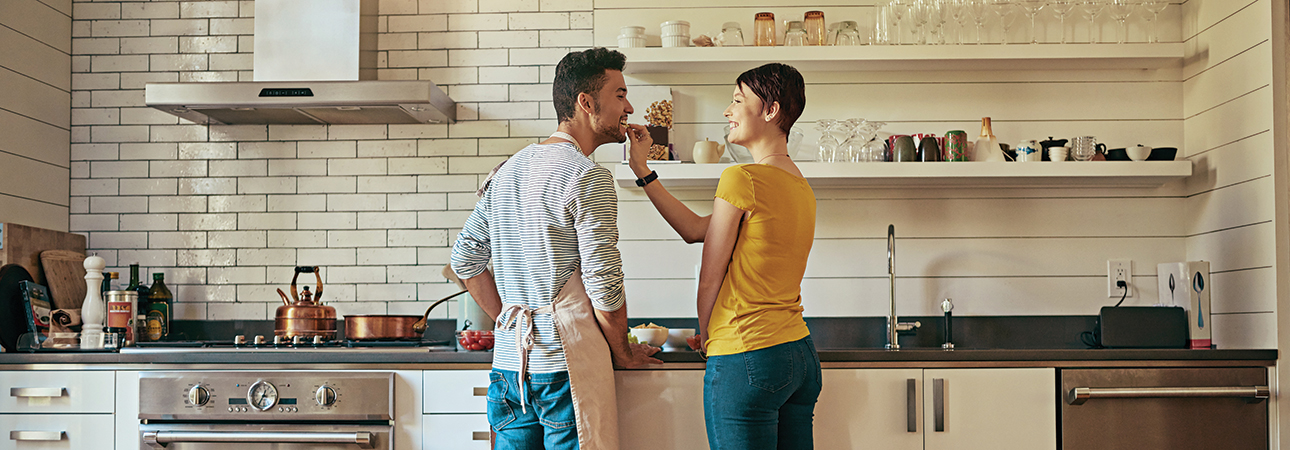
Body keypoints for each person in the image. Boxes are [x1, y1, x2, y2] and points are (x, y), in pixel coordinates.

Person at [451, 47, 662, 450]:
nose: (629, 106)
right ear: (586, 102)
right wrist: (624, 352)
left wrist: (508, 321)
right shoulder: (587, 176)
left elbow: (465, 261)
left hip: (510, 372)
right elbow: (603, 283)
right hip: (565, 369)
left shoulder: (505, 171)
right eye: (619, 95)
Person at [625, 63, 821, 450]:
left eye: (736, 100)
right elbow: (697, 230)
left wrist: (709, 336)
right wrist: (643, 171)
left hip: (746, 354)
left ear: (771, 111)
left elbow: (710, 276)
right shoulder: (799, 185)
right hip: (799, 355)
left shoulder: (742, 177)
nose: (728, 111)